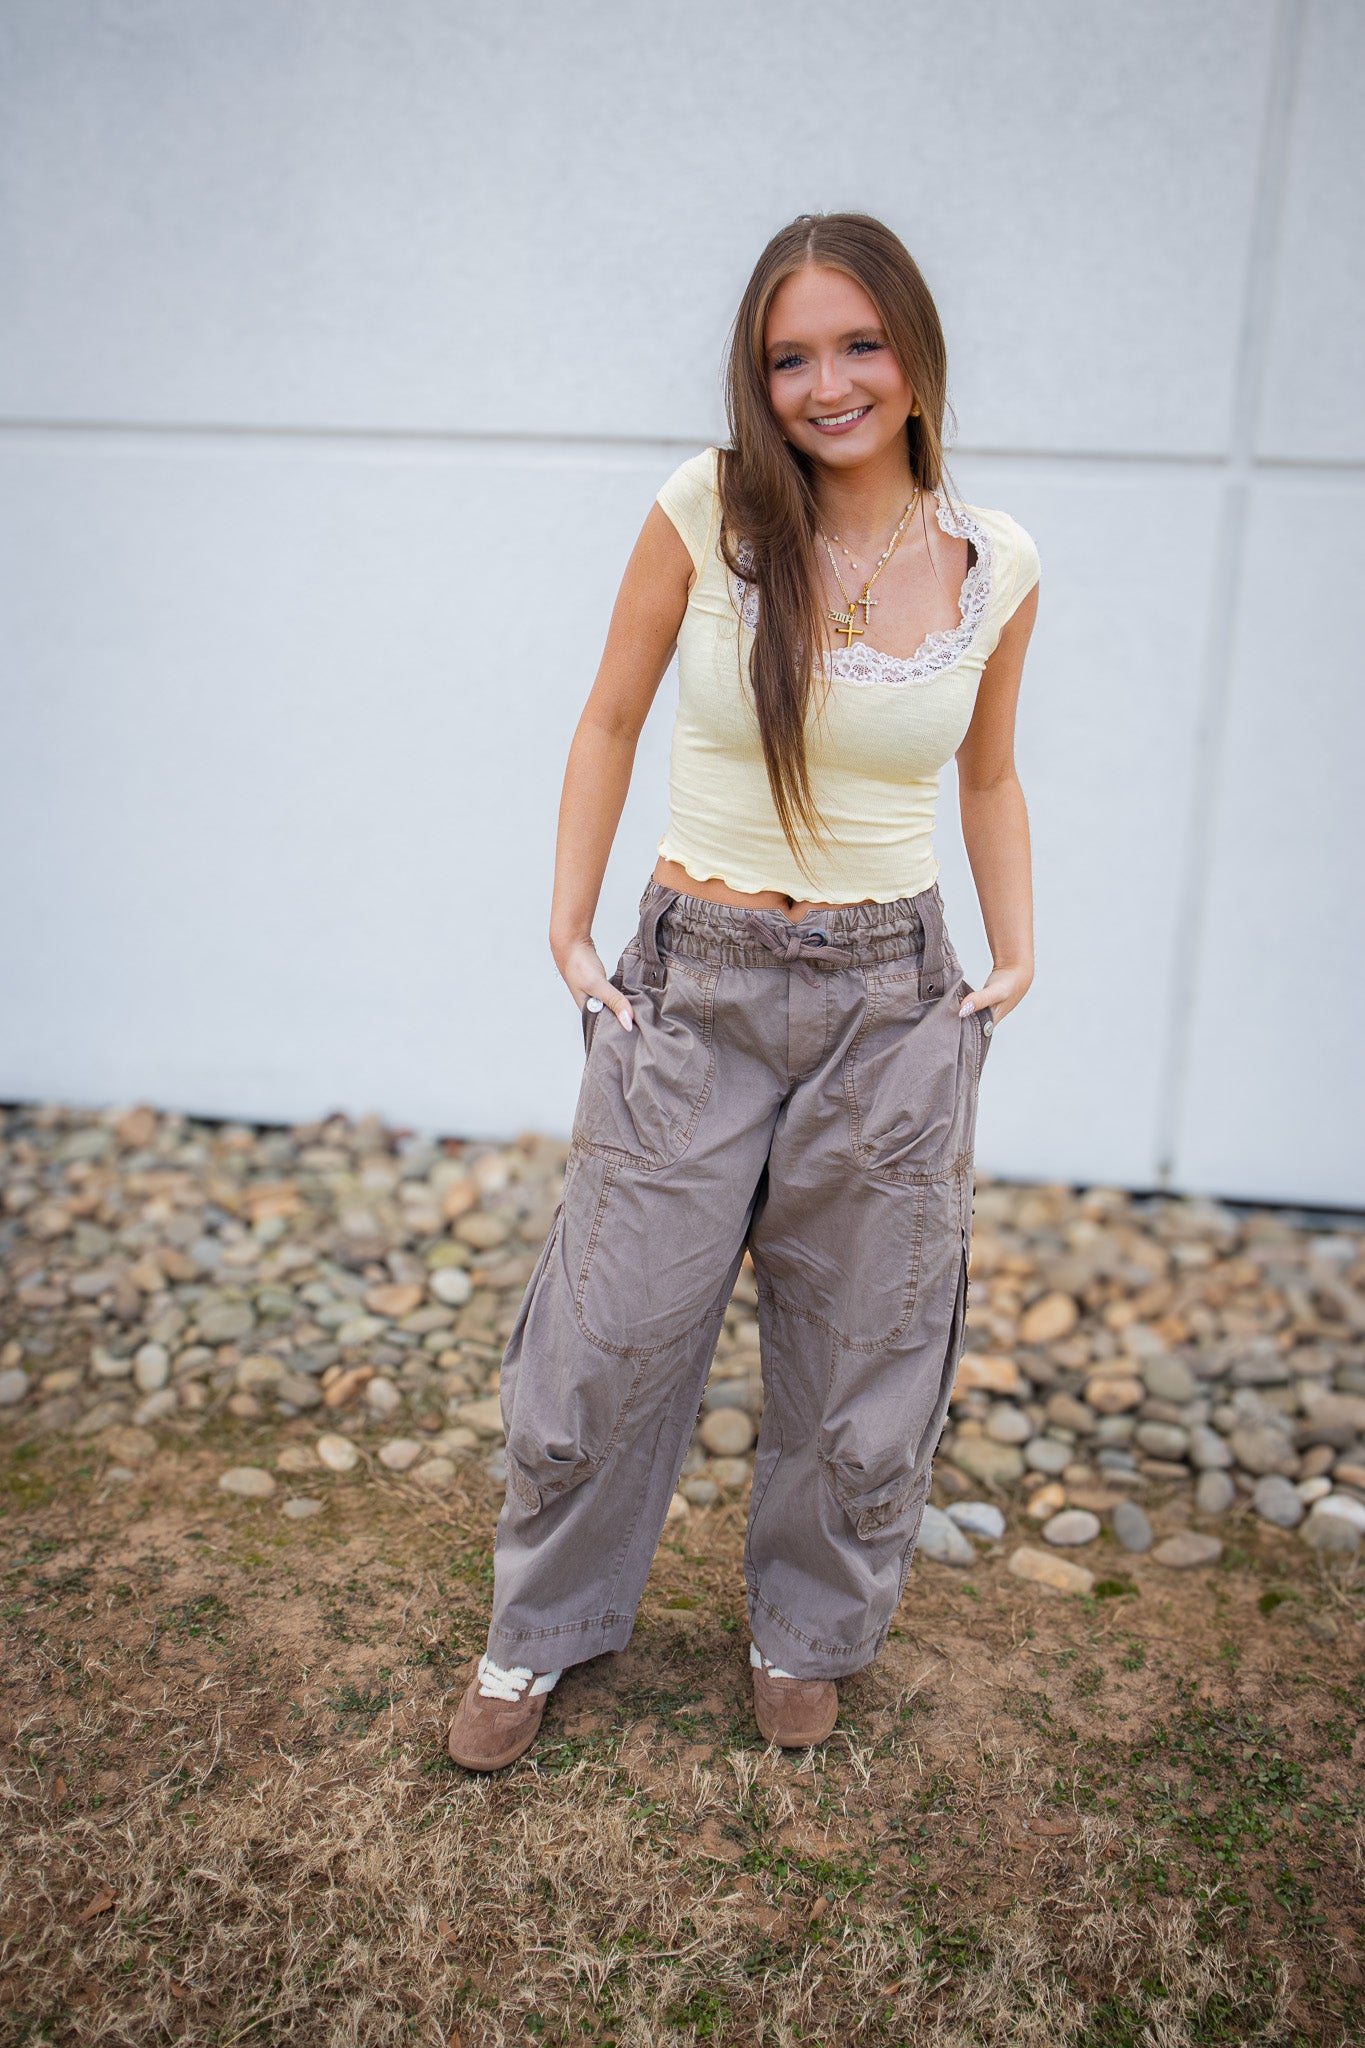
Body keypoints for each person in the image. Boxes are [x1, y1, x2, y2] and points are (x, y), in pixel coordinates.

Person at [446, 211, 1040, 1772]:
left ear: (914, 355)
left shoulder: (999, 563)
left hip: (889, 996)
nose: (825, 383)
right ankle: (537, 1633)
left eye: (857, 345)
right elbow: (607, 717)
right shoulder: (706, 509)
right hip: (693, 984)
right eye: (789, 356)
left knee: (865, 1349)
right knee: (611, 1331)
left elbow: (987, 776)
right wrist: (569, 929)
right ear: (753, 374)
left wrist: (1019, 949)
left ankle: (805, 1631)